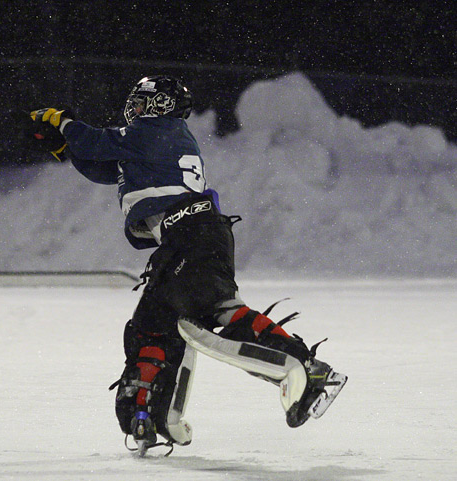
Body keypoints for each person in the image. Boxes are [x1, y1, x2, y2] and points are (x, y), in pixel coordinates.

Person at [29, 75, 346, 455]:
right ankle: (148, 413)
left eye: (144, 103)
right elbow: (105, 166)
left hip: (190, 233)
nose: (137, 110)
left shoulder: (156, 130)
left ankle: (309, 369)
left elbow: (98, 142)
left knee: (215, 314)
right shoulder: (152, 141)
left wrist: (65, 123)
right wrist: (68, 149)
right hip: (189, 236)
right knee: (153, 327)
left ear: (161, 106)